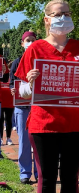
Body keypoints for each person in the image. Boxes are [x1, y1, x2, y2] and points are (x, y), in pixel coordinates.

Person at [15, 0, 79, 193]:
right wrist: (31, 85)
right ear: (46, 20)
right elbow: (22, 92)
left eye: (68, 14)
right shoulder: (35, 49)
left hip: (77, 125)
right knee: (46, 180)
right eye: (58, 14)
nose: (64, 18)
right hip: (44, 125)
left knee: (70, 179)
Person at [10, 31, 38, 184]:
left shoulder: (41, 61)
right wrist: (12, 89)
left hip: (38, 107)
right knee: (24, 141)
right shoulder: (17, 62)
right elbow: (11, 83)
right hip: (22, 107)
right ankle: (25, 173)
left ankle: (40, 174)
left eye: (33, 40)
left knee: (39, 142)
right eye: (28, 40)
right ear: (22, 43)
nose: (30, 42)